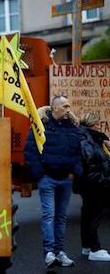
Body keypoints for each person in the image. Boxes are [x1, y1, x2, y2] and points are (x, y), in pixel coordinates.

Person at [24, 96, 83, 268]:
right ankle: (49, 253)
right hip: (47, 179)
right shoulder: (40, 126)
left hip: (65, 179)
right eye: (65, 106)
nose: (68, 109)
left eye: (68, 106)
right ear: (55, 108)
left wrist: (75, 172)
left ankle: (60, 252)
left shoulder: (72, 128)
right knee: (49, 215)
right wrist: (40, 174)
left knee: (61, 217)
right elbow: (30, 151)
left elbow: (78, 151)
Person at [74, 112, 110, 261]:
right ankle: (95, 248)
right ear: (93, 124)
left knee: (88, 214)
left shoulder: (88, 138)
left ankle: (87, 246)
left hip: (91, 182)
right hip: (95, 183)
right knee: (94, 215)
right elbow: (91, 163)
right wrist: (103, 179)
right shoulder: (88, 140)